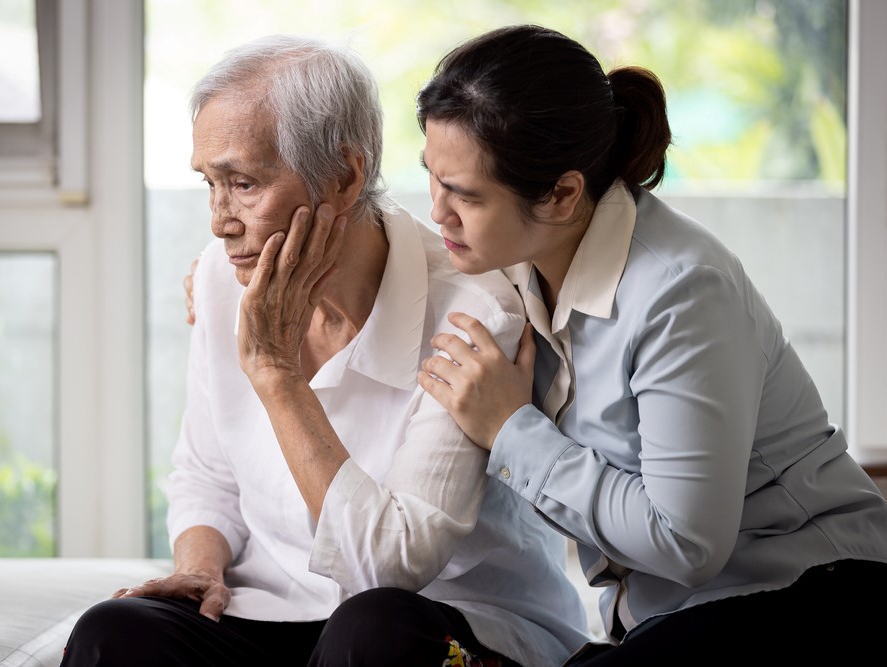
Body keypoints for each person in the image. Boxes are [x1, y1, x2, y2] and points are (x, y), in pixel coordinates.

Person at [61, 34, 592, 667]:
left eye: (243, 184)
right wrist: (200, 569)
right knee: (114, 631)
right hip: (276, 615)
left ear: (343, 176)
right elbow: (207, 476)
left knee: (370, 631)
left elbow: (387, 568)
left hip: (444, 618)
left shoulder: (475, 314)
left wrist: (277, 377)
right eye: (210, 184)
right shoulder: (220, 275)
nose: (219, 220)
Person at [410, 24, 887, 664]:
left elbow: (686, 544)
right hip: (664, 622)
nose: (437, 211)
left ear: (561, 194)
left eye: (464, 194)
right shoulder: (515, 265)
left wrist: (512, 430)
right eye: (432, 179)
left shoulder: (681, 292)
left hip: (808, 595)